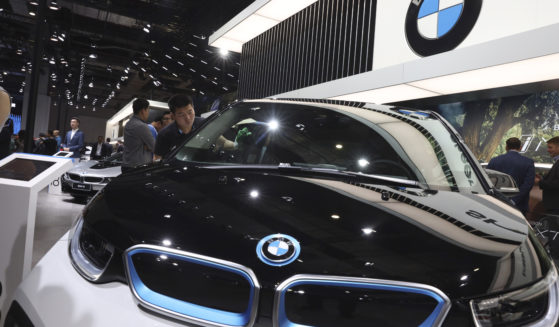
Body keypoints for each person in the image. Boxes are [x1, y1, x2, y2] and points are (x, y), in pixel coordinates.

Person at [487, 137, 535, 215]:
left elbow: (488, 181)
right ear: (520, 148)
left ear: (506, 147)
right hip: (519, 205)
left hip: (497, 203)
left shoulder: (494, 161)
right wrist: (514, 200)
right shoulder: (528, 162)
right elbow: (528, 184)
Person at [154, 95, 204, 160]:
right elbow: (158, 158)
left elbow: (220, 140)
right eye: (181, 115)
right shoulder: (164, 135)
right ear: (173, 116)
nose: (188, 118)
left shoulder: (203, 124)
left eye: (190, 112)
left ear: (193, 108)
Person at [122, 98, 154, 171]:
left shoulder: (128, 124)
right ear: (143, 111)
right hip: (138, 167)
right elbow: (154, 147)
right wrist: (146, 146)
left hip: (126, 165)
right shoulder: (142, 126)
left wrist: (145, 145)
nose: (148, 113)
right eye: (148, 110)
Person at [536, 136, 559, 216]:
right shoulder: (557, 162)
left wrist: (540, 182)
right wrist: (542, 178)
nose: (548, 150)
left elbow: (557, 184)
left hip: (555, 207)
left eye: (550, 147)